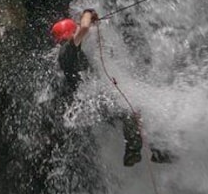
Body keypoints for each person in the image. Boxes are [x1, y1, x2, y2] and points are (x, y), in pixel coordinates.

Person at [52, 9, 144, 166]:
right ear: (70, 33)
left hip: (89, 101)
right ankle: (133, 152)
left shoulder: (66, 53)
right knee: (130, 111)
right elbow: (85, 28)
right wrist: (87, 13)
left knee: (135, 111)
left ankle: (156, 150)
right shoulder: (68, 49)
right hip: (91, 100)